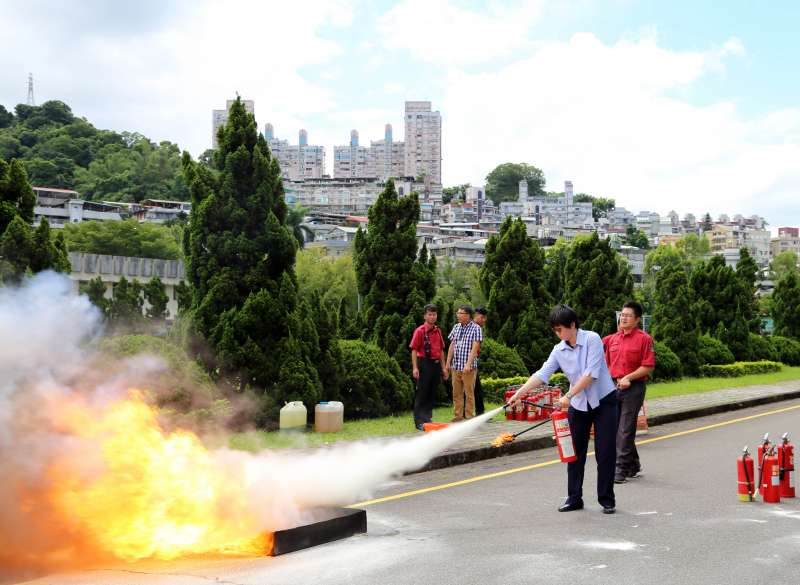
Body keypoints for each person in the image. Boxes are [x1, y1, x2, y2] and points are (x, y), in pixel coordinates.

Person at [510, 305, 618, 514]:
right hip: (578, 405)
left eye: (560, 329)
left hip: (604, 401)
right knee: (574, 451)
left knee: (605, 452)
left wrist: (568, 396)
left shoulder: (592, 339)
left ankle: (606, 499)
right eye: (555, 330)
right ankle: (574, 497)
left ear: (573, 325)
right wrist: (519, 394)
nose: (558, 334)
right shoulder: (558, 350)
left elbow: (591, 374)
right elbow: (542, 374)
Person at [603, 300, 655, 483]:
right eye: (622, 315)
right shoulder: (611, 340)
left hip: (634, 388)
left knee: (625, 428)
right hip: (613, 387)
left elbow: (647, 366)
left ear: (637, 319)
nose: (623, 318)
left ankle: (621, 469)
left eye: (628, 315)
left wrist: (629, 378)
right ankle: (633, 464)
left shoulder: (644, 339)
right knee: (617, 428)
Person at [409, 304, 448, 431]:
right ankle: (419, 421)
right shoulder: (420, 331)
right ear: (425, 316)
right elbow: (414, 350)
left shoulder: (438, 331)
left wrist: (444, 368)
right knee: (422, 393)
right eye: (430, 314)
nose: (432, 317)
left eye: (434, 314)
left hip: (436, 365)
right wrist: (415, 368)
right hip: (424, 364)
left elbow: (441, 350)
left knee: (432, 392)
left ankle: (427, 418)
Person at [445, 304, 483, 422]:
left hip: (469, 368)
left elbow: (475, 347)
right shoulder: (456, 327)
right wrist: (447, 364)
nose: (458, 315)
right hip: (456, 366)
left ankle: (469, 417)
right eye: (458, 313)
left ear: (468, 315)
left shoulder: (476, 328)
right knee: (456, 393)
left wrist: (468, 364)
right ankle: (458, 416)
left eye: (460, 313)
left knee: (469, 393)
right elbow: (452, 345)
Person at [473, 307, 488, 416]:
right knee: (474, 388)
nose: (484, 320)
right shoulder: (473, 328)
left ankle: (480, 412)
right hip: (467, 363)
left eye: (485, 318)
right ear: (476, 315)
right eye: (482, 317)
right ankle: (478, 413)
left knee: (476, 388)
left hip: (473, 361)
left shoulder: (477, 327)